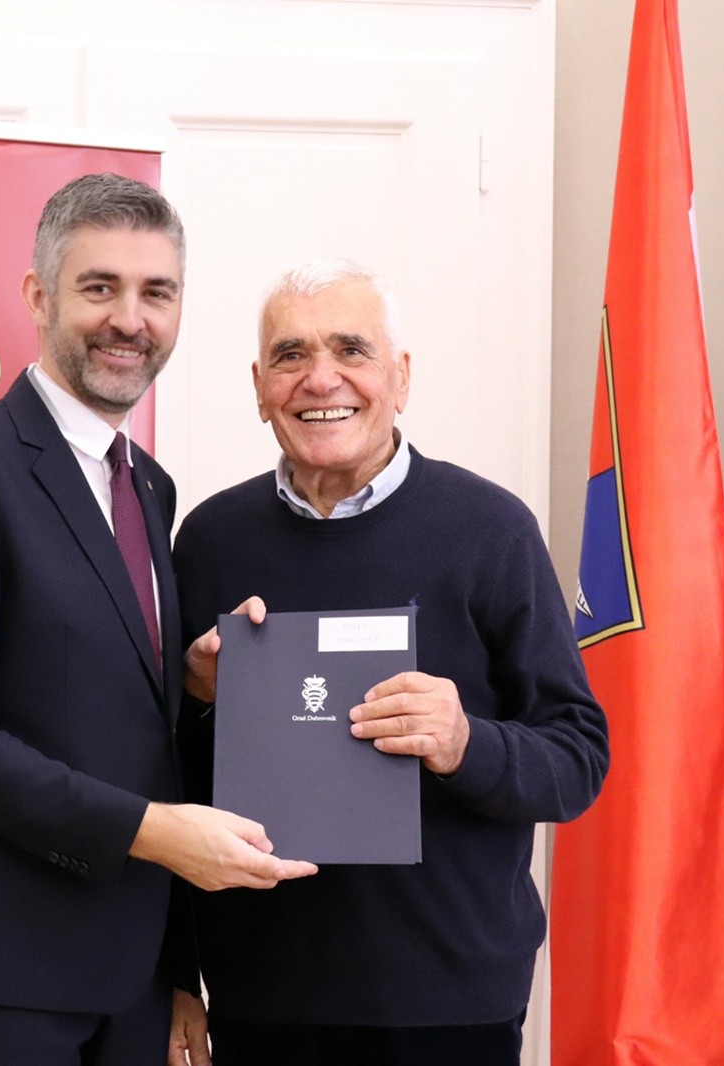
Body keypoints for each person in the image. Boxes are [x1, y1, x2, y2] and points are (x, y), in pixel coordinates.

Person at [0, 174, 315, 1066]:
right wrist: (151, 832)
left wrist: (193, 686)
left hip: (130, 976)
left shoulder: (149, 486)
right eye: (100, 287)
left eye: (157, 293)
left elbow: (124, 723)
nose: (130, 320)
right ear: (40, 297)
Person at [173, 260, 610, 1065]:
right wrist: (198, 696)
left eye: (351, 349)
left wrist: (465, 742)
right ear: (260, 387)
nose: (320, 379)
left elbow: (577, 760)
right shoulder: (208, 541)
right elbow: (163, 781)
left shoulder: (491, 531)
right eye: (291, 355)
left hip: (450, 999)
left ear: (401, 377)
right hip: (263, 995)